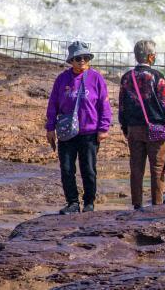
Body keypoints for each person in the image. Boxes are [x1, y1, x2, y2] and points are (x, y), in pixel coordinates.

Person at [45, 41, 112, 215]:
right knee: (67, 169)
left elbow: (104, 105)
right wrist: (50, 127)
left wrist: (103, 128)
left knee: (88, 169)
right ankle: (72, 203)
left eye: (85, 57)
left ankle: (89, 202)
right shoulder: (62, 79)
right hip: (67, 132)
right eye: (77, 58)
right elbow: (53, 104)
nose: (82, 60)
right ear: (71, 60)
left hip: (89, 133)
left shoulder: (96, 78)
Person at [119, 39, 165, 210]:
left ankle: (137, 204)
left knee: (136, 168)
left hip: (134, 128)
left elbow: (122, 105)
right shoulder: (157, 77)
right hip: (156, 129)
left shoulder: (127, 77)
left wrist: (124, 127)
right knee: (157, 168)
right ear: (151, 57)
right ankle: (157, 204)